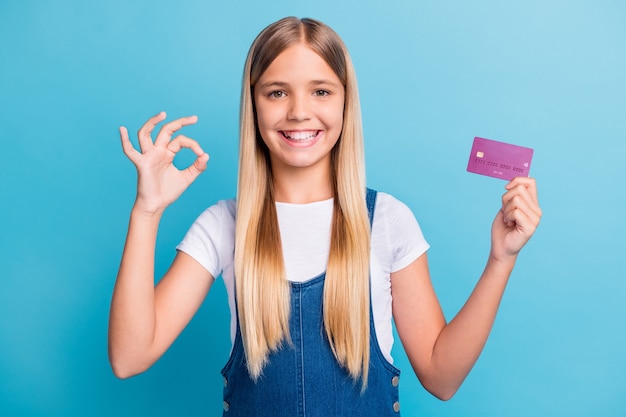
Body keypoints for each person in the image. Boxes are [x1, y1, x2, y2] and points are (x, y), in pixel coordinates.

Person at [108, 16, 542, 416]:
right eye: (277, 92)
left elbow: (441, 378)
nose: (299, 111)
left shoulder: (387, 220)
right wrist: (146, 212)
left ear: (344, 103)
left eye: (320, 90)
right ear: (254, 104)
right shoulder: (224, 225)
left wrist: (500, 259)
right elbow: (129, 357)